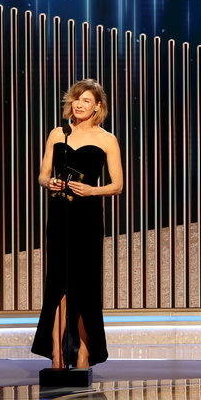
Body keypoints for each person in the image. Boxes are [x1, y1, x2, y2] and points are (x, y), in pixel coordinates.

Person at [31, 79, 124, 368]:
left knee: (85, 285)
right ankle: (57, 355)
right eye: (76, 99)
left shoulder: (107, 139)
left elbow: (118, 185)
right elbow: (42, 174)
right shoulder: (58, 134)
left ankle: (84, 353)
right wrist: (51, 182)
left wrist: (92, 190)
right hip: (60, 215)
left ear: (98, 106)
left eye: (86, 100)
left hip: (88, 218)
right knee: (57, 283)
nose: (79, 104)